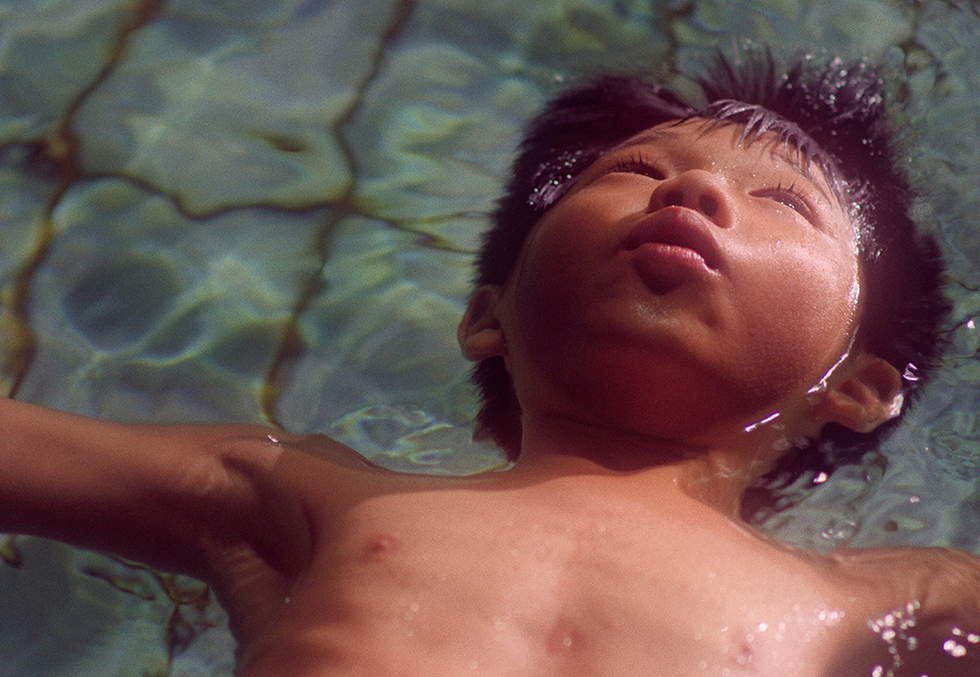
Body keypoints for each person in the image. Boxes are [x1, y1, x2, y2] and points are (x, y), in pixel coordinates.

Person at [1, 50, 977, 676]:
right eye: (631, 171)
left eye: (784, 203)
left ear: (859, 383)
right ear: (486, 316)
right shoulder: (304, 493)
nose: (688, 189)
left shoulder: (883, 595)